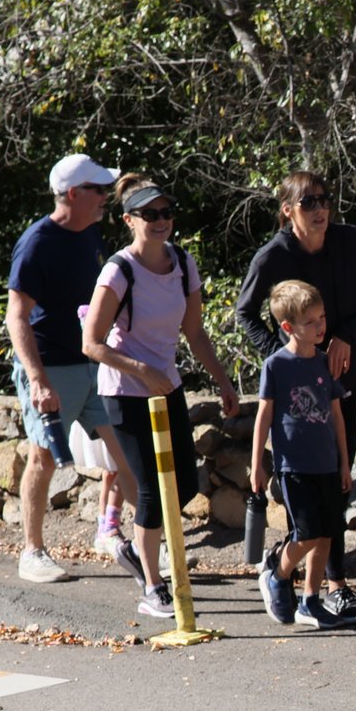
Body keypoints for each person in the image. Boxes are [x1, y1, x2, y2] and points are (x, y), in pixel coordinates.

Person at [82, 174, 241, 621]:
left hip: (166, 386)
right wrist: (141, 370)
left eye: (166, 213)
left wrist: (223, 381)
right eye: (149, 214)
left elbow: (194, 331)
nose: (160, 221)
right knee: (152, 489)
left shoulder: (184, 263)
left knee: (186, 484)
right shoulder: (119, 270)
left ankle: (134, 550)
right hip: (125, 391)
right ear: (129, 220)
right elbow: (91, 343)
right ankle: (153, 586)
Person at [233, 170, 356, 618]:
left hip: (339, 385)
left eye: (325, 200)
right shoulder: (273, 256)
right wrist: (290, 362)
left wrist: (340, 336)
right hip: (293, 402)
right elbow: (245, 315)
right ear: (288, 211)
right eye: (309, 203)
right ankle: (287, 574)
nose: (321, 209)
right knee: (305, 497)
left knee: (336, 488)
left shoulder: (352, 242)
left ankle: (327, 588)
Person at [4, 152, 136, 584]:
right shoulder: (37, 242)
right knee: (43, 457)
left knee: (125, 451)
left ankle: (155, 545)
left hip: (92, 365)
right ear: (74, 194)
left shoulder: (90, 234)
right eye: (98, 191)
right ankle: (33, 552)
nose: (105, 199)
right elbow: (16, 316)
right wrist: (38, 380)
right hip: (51, 367)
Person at [249, 280, 353, 630]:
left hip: (327, 464)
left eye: (322, 318)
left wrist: (344, 463)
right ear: (288, 327)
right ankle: (278, 571)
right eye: (311, 321)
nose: (321, 326)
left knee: (326, 535)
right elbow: (264, 415)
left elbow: (336, 415)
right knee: (307, 533)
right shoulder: (276, 365)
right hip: (294, 466)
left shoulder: (325, 364)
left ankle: (310, 601)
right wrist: (257, 465)